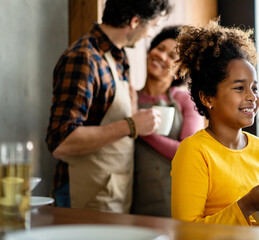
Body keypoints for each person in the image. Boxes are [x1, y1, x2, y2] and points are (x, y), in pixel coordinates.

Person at [171, 21, 259, 227]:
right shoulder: (194, 151)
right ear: (208, 98)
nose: (252, 97)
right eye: (239, 88)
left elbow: (253, 222)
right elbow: (187, 231)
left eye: (254, 88)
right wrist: (246, 205)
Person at [45, 0, 172, 213]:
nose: (150, 35)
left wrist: (134, 117)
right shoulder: (83, 58)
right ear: (135, 21)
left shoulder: (118, 56)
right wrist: (131, 125)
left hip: (110, 193)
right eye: (152, 26)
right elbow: (61, 142)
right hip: (81, 194)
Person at [130, 26, 204, 217]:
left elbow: (188, 152)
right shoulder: (130, 98)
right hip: (132, 197)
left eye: (172, 56)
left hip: (171, 200)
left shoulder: (185, 100)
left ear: (180, 71)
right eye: (160, 48)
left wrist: (139, 129)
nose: (162, 57)